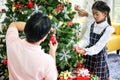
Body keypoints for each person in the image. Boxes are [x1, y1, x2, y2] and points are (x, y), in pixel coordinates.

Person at [6, 12, 58, 80]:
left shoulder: (12, 42)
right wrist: (52, 53)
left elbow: (14, 24)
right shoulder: (47, 61)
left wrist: (33, 29)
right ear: (43, 38)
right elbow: (53, 78)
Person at [73, 1, 114, 80]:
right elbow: (86, 39)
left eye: (97, 14)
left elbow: (98, 47)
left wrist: (85, 51)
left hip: (99, 57)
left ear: (105, 14)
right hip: (90, 56)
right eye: (93, 13)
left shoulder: (108, 29)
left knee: (100, 76)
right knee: (90, 75)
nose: (94, 16)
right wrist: (78, 45)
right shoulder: (92, 25)